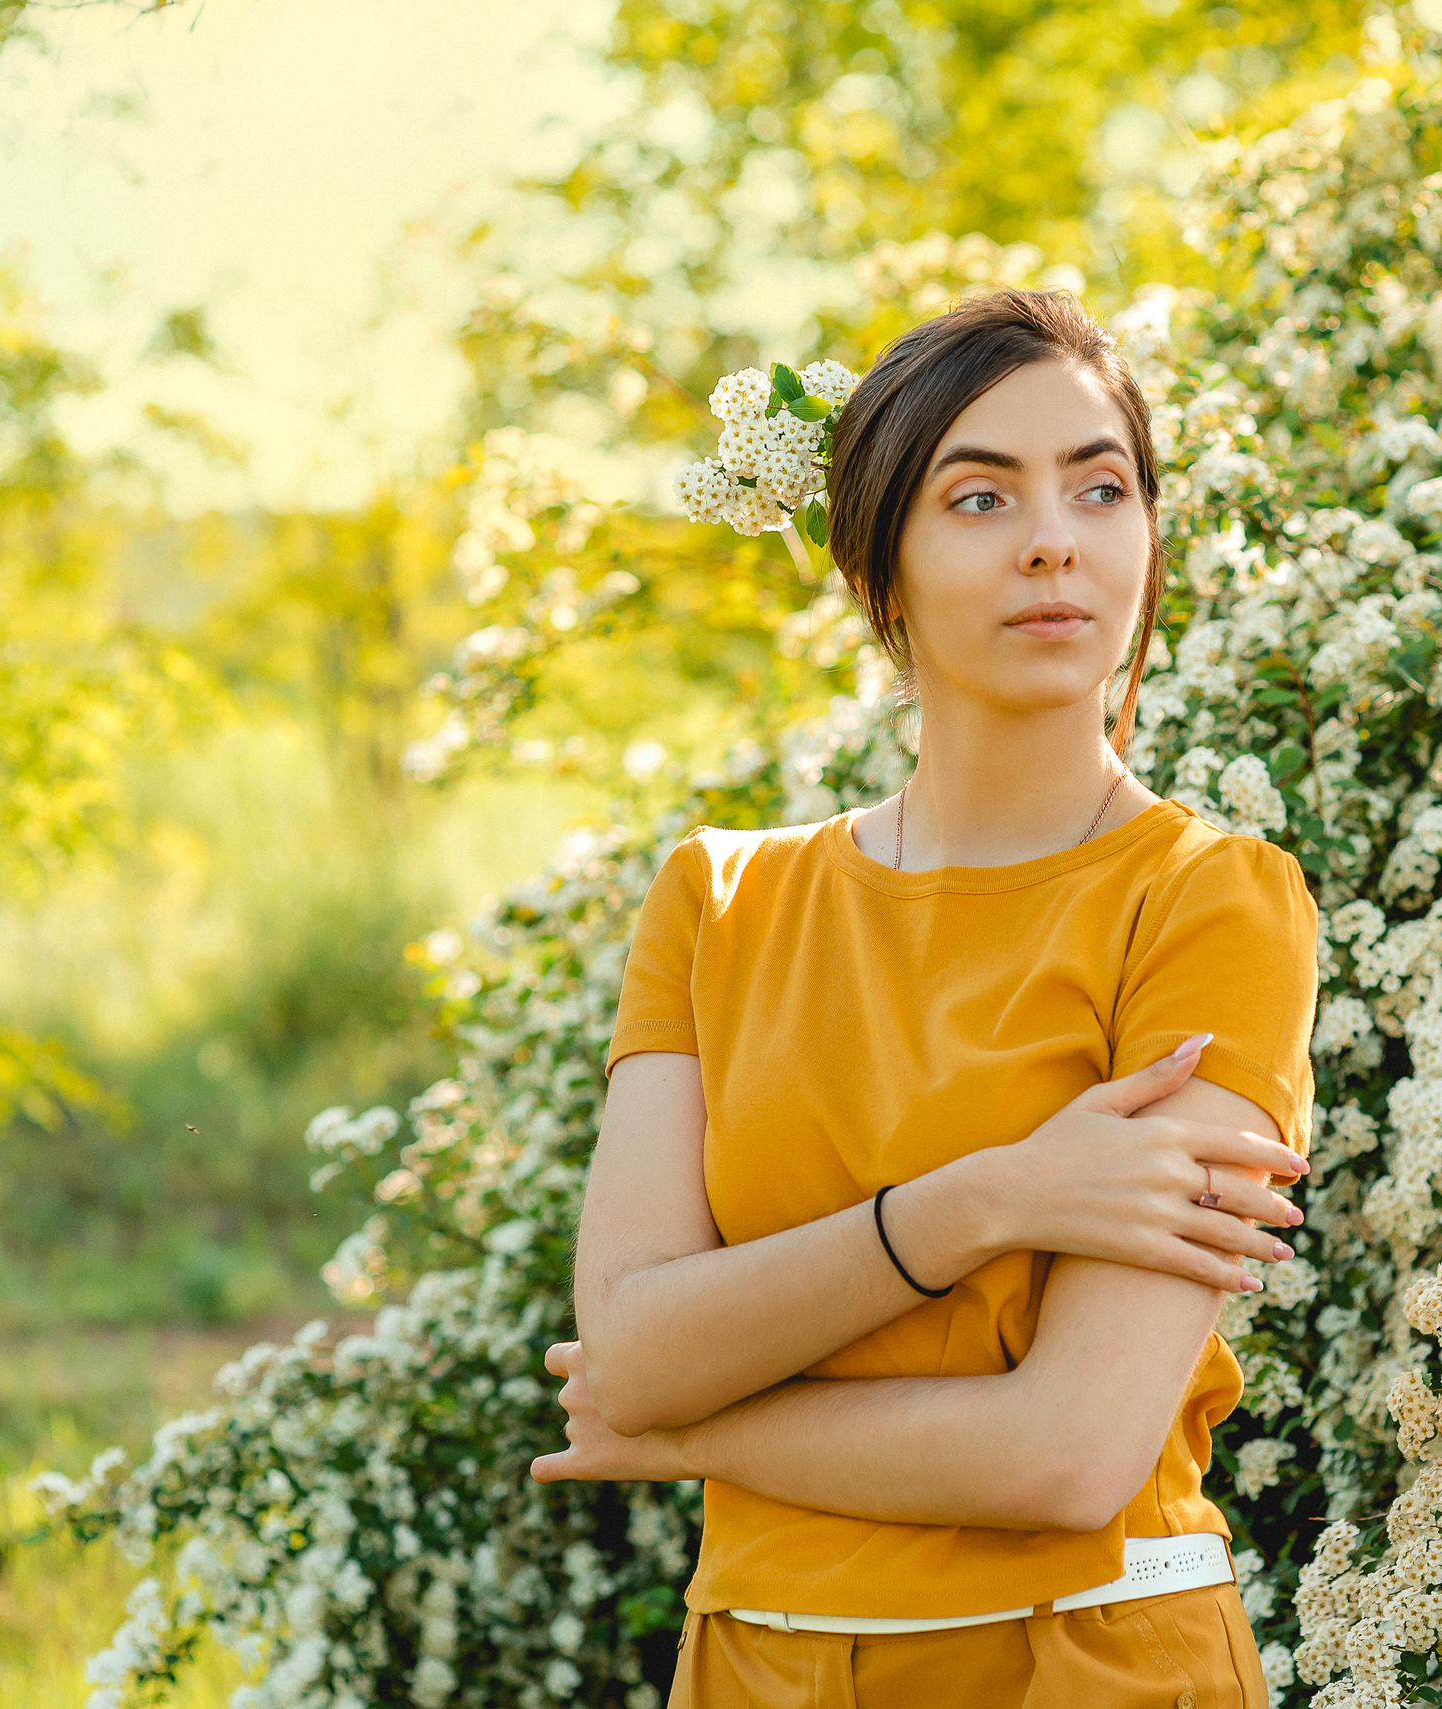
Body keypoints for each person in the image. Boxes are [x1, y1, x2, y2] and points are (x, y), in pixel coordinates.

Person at [530, 289, 1321, 1708]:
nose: (1052, 540)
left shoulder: (1214, 901)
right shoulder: (719, 900)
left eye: (1101, 487)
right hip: (752, 1668)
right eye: (980, 496)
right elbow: (632, 1342)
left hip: (1085, 1661)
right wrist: (991, 1199)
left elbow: (1066, 1453)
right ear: (876, 568)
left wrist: (689, 1432)